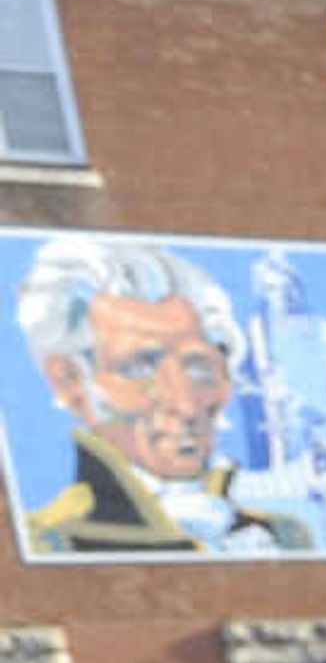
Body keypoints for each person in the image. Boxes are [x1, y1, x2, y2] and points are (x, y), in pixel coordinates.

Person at [12, 236, 308, 554]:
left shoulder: (286, 535)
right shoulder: (51, 543)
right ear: (70, 382)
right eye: (139, 369)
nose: (185, 403)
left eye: (198, 367)